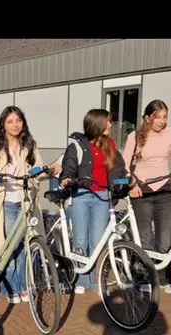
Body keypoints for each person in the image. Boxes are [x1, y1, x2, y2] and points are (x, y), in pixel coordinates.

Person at [0, 106, 55, 303]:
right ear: (3, 125)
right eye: (10, 121)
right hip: (6, 203)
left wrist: (49, 170)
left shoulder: (29, 145)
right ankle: (11, 288)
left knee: (25, 247)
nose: (15, 125)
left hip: (26, 202)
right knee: (9, 247)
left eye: (18, 120)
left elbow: (38, 170)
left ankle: (23, 286)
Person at [121, 99, 171, 292]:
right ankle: (142, 278)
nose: (161, 121)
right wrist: (131, 184)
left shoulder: (169, 134)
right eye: (157, 117)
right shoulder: (134, 136)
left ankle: (163, 278)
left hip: (164, 190)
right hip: (141, 190)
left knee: (165, 238)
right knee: (143, 239)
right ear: (147, 117)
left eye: (165, 117)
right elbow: (125, 164)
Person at [58, 109, 128, 293]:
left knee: (97, 241)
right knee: (81, 240)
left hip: (102, 197)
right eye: (108, 122)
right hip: (81, 195)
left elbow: (119, 168)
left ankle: (94, 279)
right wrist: (66, 177)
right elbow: (70, 165)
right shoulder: (77, 145)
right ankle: (82, 280)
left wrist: (128, 180)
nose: (111, 126)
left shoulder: (110, 145)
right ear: (96, 123)